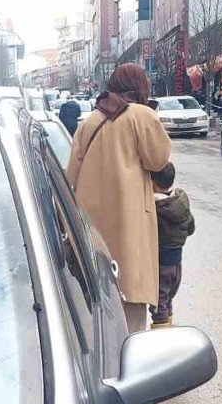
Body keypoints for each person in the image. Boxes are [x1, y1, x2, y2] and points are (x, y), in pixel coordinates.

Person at [68, 63, 172, 333]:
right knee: (131, 311)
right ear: (140, 87)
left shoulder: (88, 122)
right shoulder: (141, 115)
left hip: (93, 234)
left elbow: (71, 178)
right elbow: (158, 159)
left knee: (100, 312)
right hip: (130, 229)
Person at [150, 162, 194, 327]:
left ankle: (161, 336)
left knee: (158, 302)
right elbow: (191, 228)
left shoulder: (155, 207)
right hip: (176, 263)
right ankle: (168, 327)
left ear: (152, 182)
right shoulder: (180, 203)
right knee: (167, 299)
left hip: (161, 264)